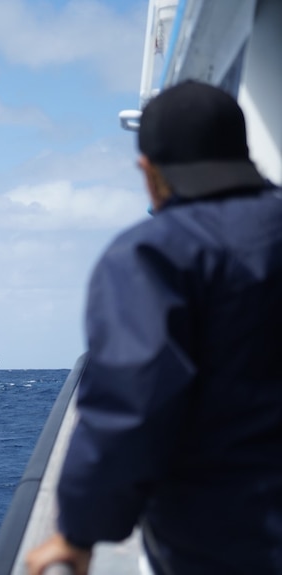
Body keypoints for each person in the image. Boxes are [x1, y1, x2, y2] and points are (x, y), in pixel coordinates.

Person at [26, 80, 282, 575]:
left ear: (150, 175)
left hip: (232, 546)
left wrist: (79, 532)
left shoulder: (152, 255)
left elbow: (130, 407)